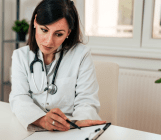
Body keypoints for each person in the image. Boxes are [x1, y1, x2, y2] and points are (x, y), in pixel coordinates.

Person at [9, 0, 106, 131]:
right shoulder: (20, 56)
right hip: (36, 127)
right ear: (35, 22)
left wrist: (77, 123)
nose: (49, 41)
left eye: (59, 34)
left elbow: (87, 101)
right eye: (44, 30)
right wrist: (42, 120)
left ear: (68, 33)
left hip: (70, 129)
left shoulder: (81, 55)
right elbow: (19, 97)